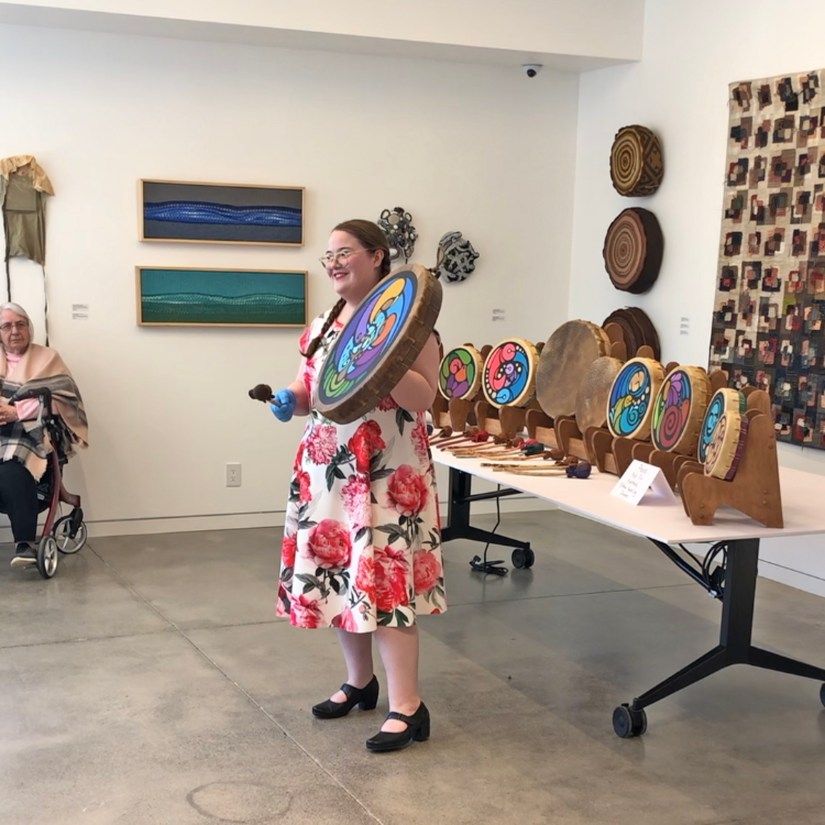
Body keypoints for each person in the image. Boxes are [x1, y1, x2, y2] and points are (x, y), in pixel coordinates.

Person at [269, 219, 445, 753]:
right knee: (342, 577)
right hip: (328, 471)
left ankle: (408, 707)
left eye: (345, 252)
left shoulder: (410, 321)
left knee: (388, 585)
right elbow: (313, 386)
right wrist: (291, 399)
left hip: (387, 476)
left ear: (377, 256)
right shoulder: (325, 323)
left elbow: (423, 399)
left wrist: (383, 359)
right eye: (328, 257)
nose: (335, 263)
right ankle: (359, 682)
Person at [0, 303, 88, 567]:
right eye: (7, 326)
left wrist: (17, 412)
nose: (14, 331)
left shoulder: (48, 358)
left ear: (29, 327)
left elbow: (65, 397)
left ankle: (25, 543)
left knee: (13, 467)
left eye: (20, 324)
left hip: (31, 431)